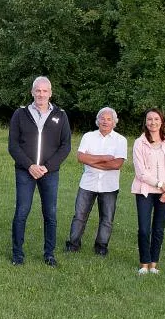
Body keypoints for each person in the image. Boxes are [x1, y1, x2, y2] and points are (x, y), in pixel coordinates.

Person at [8, 76, 71, 267]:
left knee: (50, 213)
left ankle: (49, 254)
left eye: (45, 91)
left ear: (50, 93)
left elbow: (65, 146)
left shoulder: (61, 115)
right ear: (32, 92)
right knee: (22, 211)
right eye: (38, 90)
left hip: (49, 172)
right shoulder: (20, 114)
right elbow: (13, 145)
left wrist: (47, 167)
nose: (41, 94)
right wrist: (30, 166)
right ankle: (17, 254)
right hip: (25, 171)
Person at [64, 107, 127, 257]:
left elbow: (116, 164)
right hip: (88, 183)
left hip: (109, 186)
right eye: (102, 118)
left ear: (114, 122)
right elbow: (81, 157)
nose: (105, 121)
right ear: (98, 120)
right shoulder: (88, 136)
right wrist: (104, 158)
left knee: (107, 219)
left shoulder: (121, 140)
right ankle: (73, 244)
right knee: (79, 216)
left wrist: (92, 160)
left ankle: (101, 246)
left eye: (109, 119)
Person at [131, 108, 165, 274]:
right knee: (144, 229)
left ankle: (153, 263)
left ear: (162, 121)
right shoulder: (140, 143)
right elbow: (141, 172)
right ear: (145, 122)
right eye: (149, 119)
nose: (153, 122)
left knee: (158, 229)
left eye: (156, 119)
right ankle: (144, 263)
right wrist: (161, 185)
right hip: (145, 190)